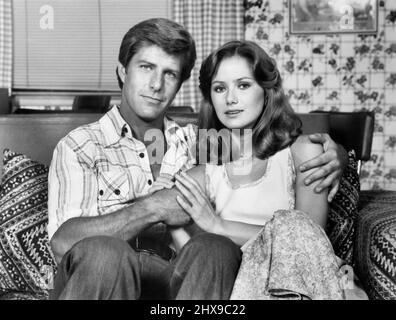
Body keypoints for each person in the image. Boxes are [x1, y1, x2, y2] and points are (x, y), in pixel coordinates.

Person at [47, 18, 348, 300]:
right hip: (104, 278)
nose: (156, 85)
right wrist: (151, 208)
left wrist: (341, 155)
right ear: (123, 72)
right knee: (104, 253)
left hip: (181, 281)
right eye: (146, 68)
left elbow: (266, 148)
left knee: (215, 248)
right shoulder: (81, 145)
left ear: (181, 84)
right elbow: (62, 245)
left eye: (170, 74)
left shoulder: (200, 142)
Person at [170, 40, 366, 299]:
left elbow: (306, 243)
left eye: (243, 85)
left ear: (266, 91)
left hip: (306, 284)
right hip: (234, 288)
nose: (230, 98)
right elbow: (192, 260)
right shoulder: (204, 173)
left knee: (293, 223)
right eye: (220, 88)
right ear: (210, 99)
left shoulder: (304, 153)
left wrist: (217, 225)